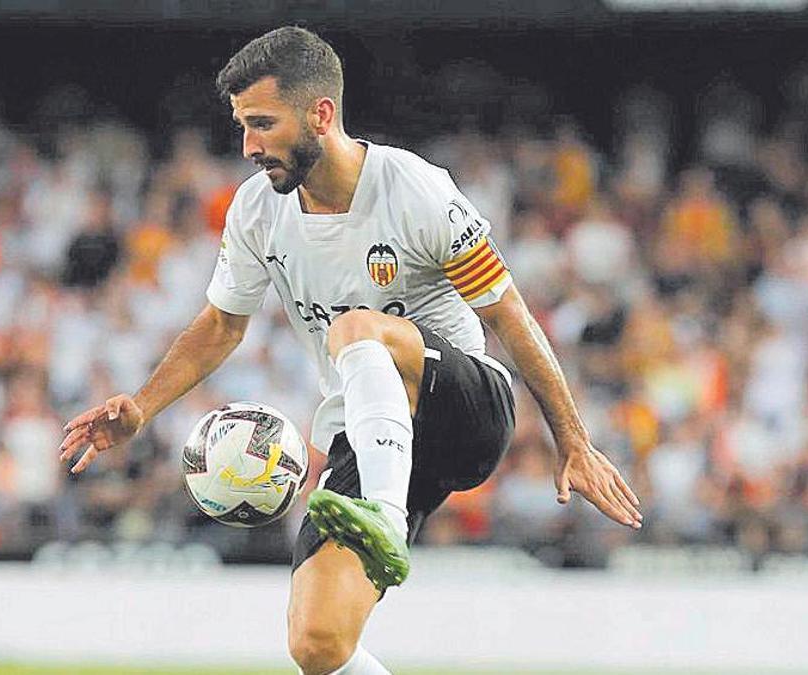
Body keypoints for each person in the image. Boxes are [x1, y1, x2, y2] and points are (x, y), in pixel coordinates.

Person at [59, 26, 642, 675]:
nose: (248, 146)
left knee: (353, 330)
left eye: (261, 124)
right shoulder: (256, 212)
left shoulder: (413, 188)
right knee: (317, 642)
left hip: (464, 407)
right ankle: (379, 513)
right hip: (366, 434)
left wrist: (573, 438)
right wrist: (142, 406)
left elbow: (507, 313)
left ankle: (383, 518)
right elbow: (221, 325)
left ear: (321, 113)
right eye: (242, 127)